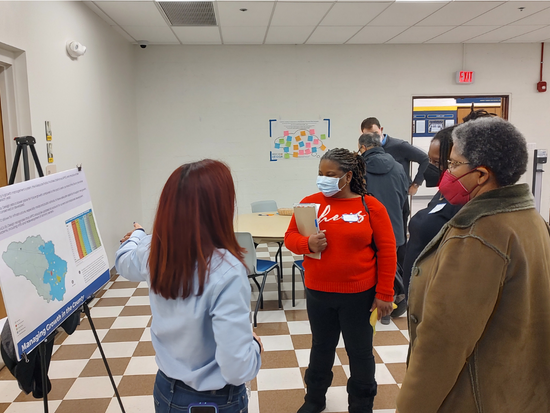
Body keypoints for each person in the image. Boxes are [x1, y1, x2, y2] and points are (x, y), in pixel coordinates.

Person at [397, 117, 550, 413]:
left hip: (476, 396)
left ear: (480, 175)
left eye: (454, 164)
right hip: (519, 391)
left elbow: (443, 344)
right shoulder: (532, 220)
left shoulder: (476, 235)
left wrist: (410, 408)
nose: (446, 172)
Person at [115, 160, 262, 413]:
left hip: (166, 390)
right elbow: (237, 369)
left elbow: (122, 262)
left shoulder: (153, 250)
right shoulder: (227, 271)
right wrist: (255, 347)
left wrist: (138, 234)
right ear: (219, 209)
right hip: (216, 401)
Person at [285, 148, 396, 413]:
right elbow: (290, 237)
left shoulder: (370, 206)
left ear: (348, 176)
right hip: (318, 293)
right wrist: (307, 243)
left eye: (330, 174)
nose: (323, 179)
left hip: (359, 296)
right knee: (321, 347)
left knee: (360, 352)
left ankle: (361, 404)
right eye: (320, 173)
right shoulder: (310, 204)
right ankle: (314, 399)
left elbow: (388, 251)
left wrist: (385, 293)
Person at [400, 126, 462, 305]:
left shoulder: (463, 202)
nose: (430, 167)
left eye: (436, 162)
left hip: (437, 299)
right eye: (429, 160)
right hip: (420, 297)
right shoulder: (443, 193)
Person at [361, 117, 429, 268]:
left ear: (381, 130)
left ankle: (400, 274)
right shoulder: (366, 155)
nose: (373, 138)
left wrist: (416, 184)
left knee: (399, 240)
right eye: (368, 135)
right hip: (377, 199)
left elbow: (425, 158)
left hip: (398, 200)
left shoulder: (399, 146)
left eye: (375, 133)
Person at [358, 133, 409, 249]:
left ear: (363, 148)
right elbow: (403, 197)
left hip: (369, 233)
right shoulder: (398, 167)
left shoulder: (360, 170)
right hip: (394, 231)